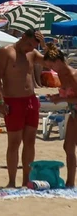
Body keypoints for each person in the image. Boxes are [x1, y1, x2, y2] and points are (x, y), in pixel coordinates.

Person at [0, 28, 43, 187]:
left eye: (34, 46)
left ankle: (26, 180)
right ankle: (12, 181)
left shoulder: (33, 54)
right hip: (13, 101)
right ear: (22, 37)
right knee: (14, 142)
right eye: (29, 44)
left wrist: (45, 45)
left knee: (30, 141)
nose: (30, 48)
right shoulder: (6, 52)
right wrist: (0, 102)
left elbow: (52, 62)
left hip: (31, 101)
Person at [43, 43, 77, 187]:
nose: (51, 69)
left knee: (69, 146)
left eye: (51, 65)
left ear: (58, 61)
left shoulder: (72, 74)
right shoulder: (62, 75)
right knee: (68, 146)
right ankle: (70, 182)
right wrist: (56, 96)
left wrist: (61, 99)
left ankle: (71, 181)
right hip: (74, 112)